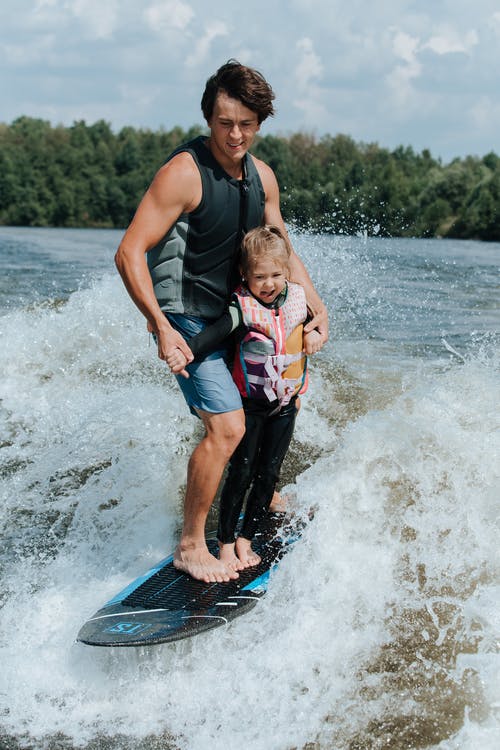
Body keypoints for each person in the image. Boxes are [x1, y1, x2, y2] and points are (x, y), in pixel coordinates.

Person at [114, 59, 328, 584]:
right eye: (224, 122)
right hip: (189, 317)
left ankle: (264, 493)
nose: (235, 135)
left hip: (240, 314)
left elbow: (281, 252)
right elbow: (129, 252)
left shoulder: (263, 178)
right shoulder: (185, 173)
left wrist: (316, 309)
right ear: (209, 117)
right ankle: (191, 543)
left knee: (271, 400)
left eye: (247, 124)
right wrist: (160, 326)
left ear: (260, 123)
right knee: (227, 427)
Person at [167, 225, 322, 572]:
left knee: (268, 474)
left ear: (286, 272)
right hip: (251, 406)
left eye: (276, 275)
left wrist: (313, 336)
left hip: (284, 405)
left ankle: (246, 539)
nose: (268, 284)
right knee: (242, 471)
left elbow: (314, 325)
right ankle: (224, 544)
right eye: (259, 277)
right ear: (244, 275)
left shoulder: (297, 297)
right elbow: (214, 335)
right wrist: (185, 352)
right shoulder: (242, 306)